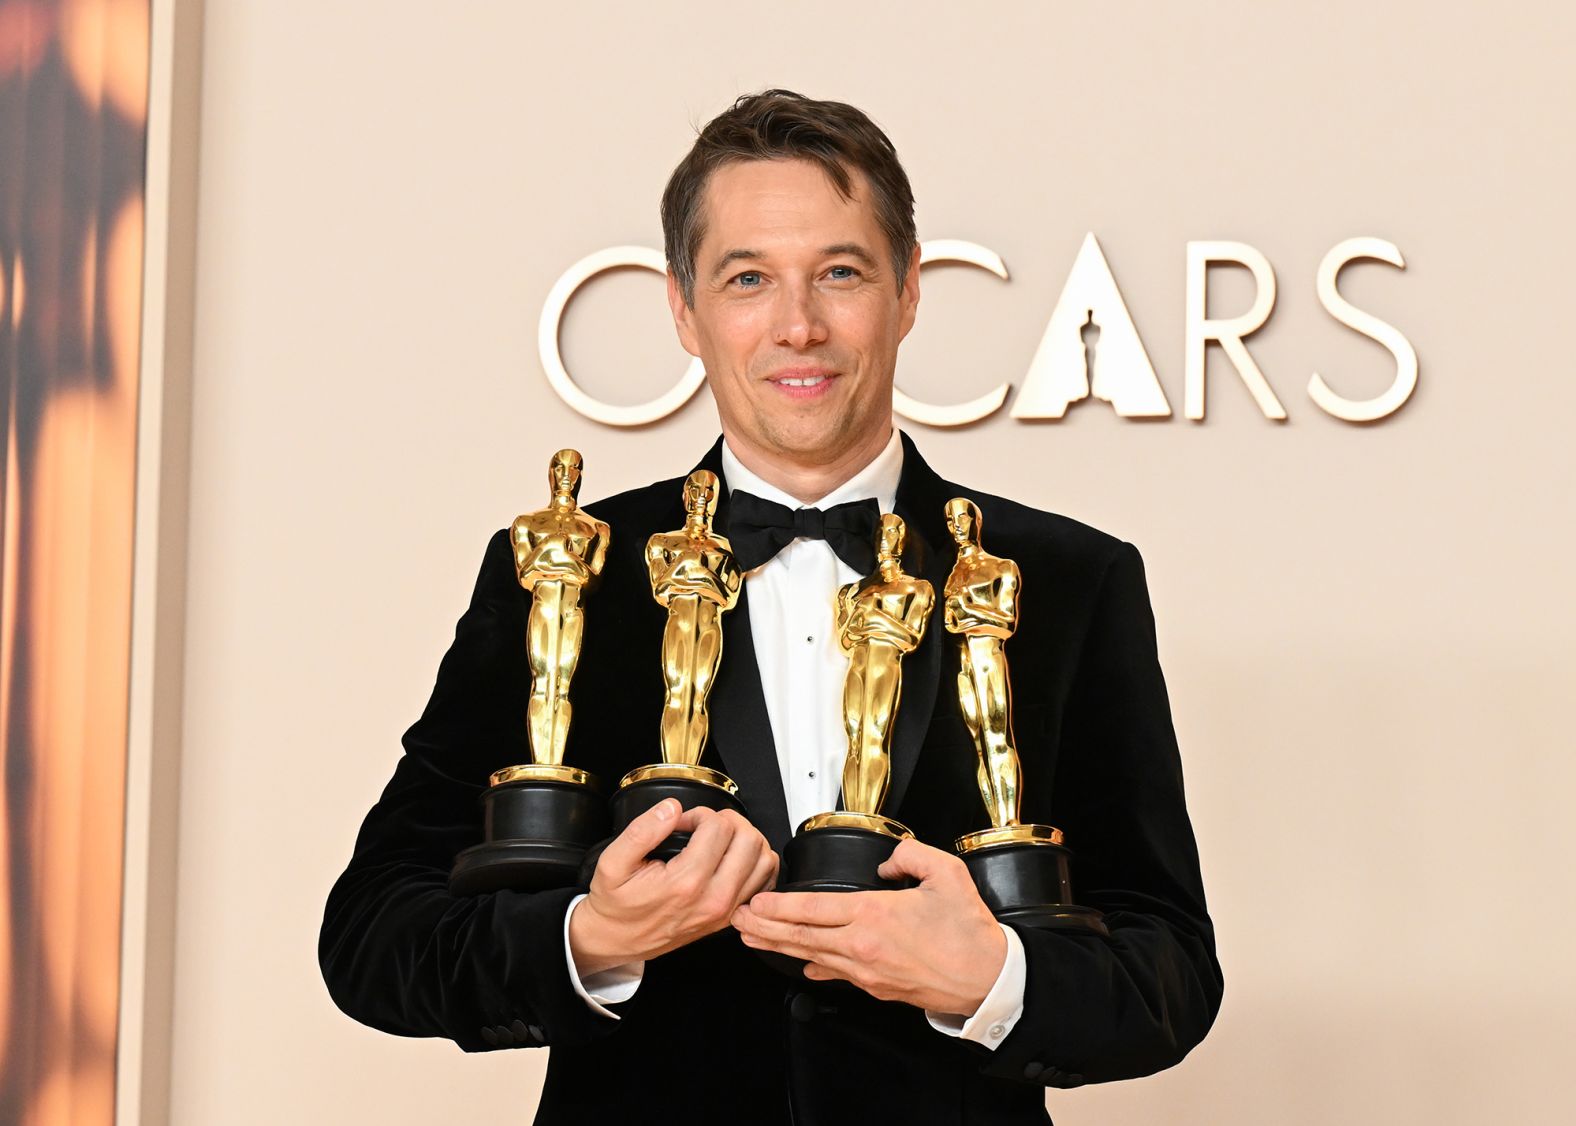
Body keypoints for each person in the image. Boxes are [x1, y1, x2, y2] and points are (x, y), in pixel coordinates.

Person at [320, 90, 1222, 1126]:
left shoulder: (1066, 578)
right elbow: (372, 936)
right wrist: (590, 939)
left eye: (840, 273)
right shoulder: (569, 569)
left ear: (909, 292)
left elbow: (1171, 974)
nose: (798, 325)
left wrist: (994, 978)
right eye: (747, 279)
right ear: (683, 308)